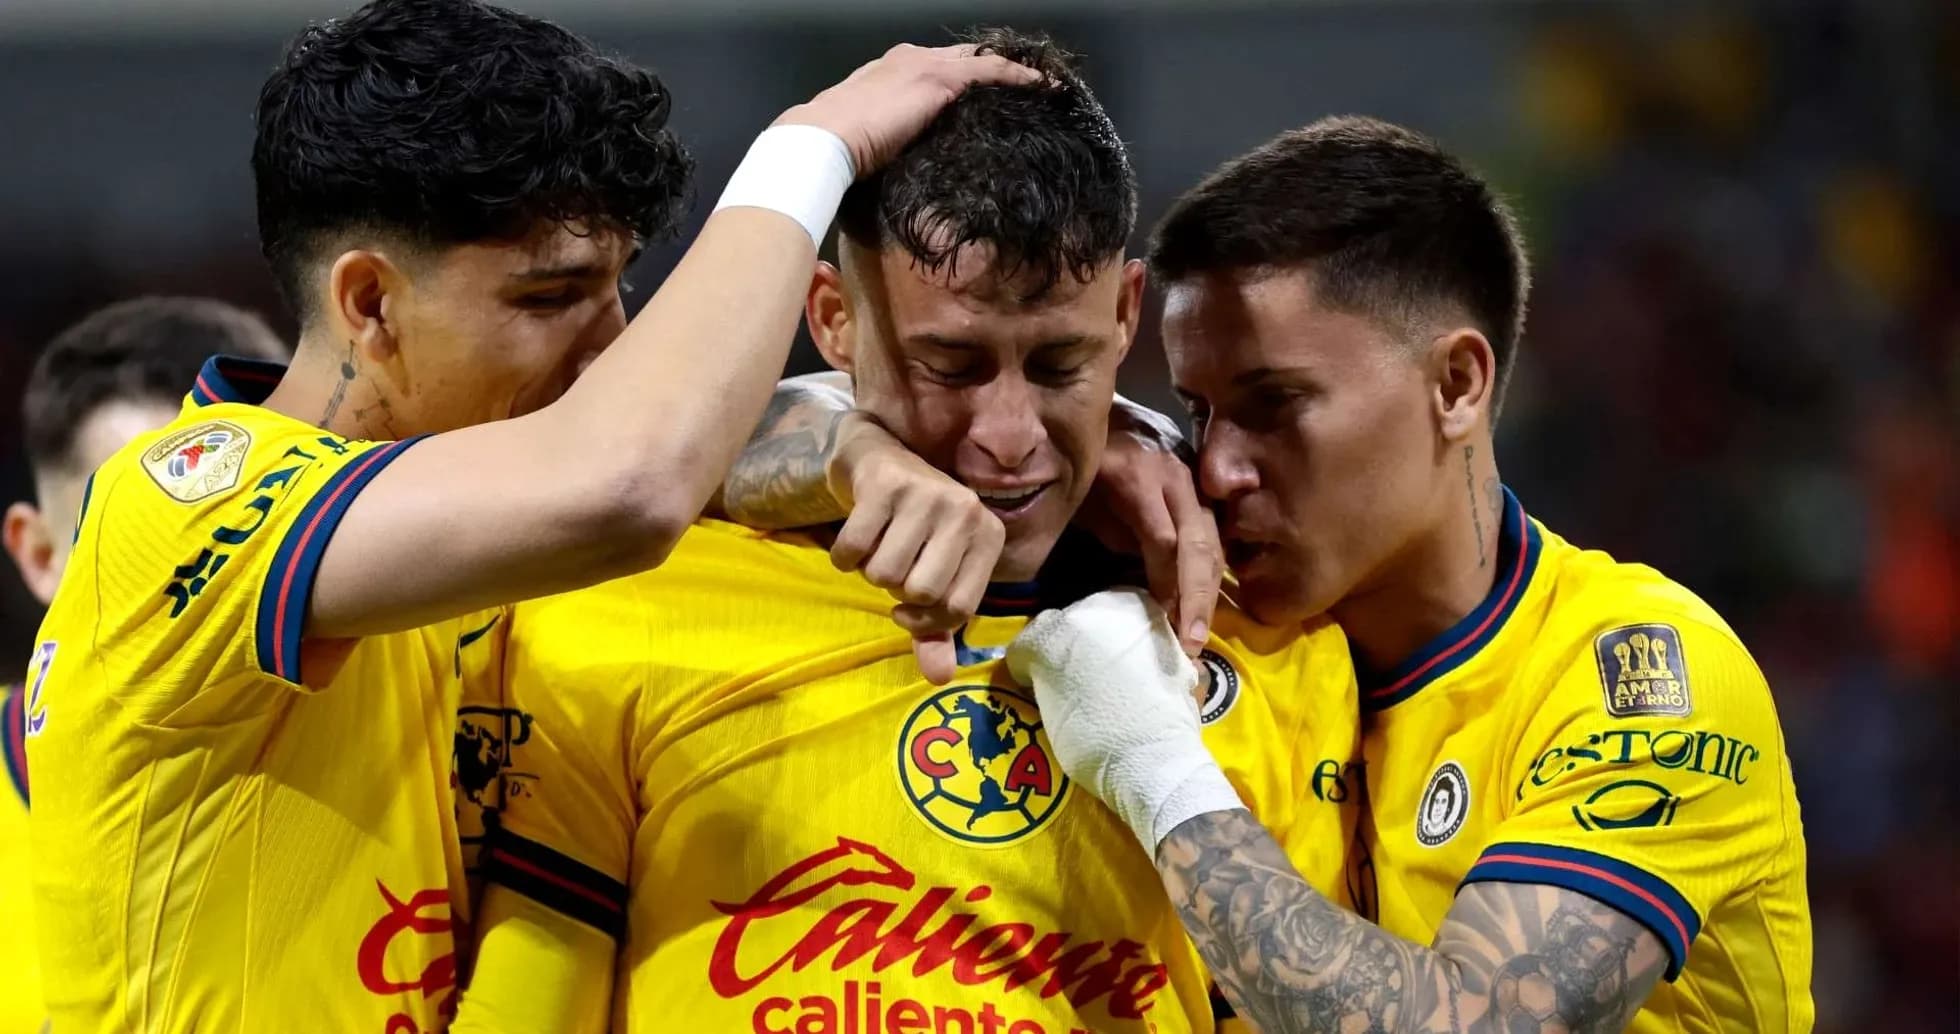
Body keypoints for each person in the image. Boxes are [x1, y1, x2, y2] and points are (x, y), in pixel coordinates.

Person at [21, 0, 1034, 1028]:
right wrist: (807, 152)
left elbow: (670, 449)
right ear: (370, 303)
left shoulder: (452, 532)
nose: (610, 352)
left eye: (616, 291)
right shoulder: (191, 498)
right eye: (549, 301)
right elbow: (628, 479)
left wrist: (872, 439)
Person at [452, 31, 1358, 1034]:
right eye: (952, 367)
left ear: (1126, 316)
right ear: (833, 321)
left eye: (1057, 365)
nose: (1010, 438)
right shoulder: (630, 600)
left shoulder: (1261, 639)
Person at [1009, 116, 1813, 1033]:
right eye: (1197, 413)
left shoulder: (1640, 676)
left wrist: (1154, 767)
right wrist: (1091, 431)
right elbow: (867, 427)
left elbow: (1473, 1024)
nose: (1220, 468)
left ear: (1457, 385)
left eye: (1275, 405)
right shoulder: (1218, 626)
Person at [0, 296, 288, 1034]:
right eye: (131, 536)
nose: (196, 592)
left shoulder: (423, 757)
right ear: (39, 555)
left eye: (237, 527)